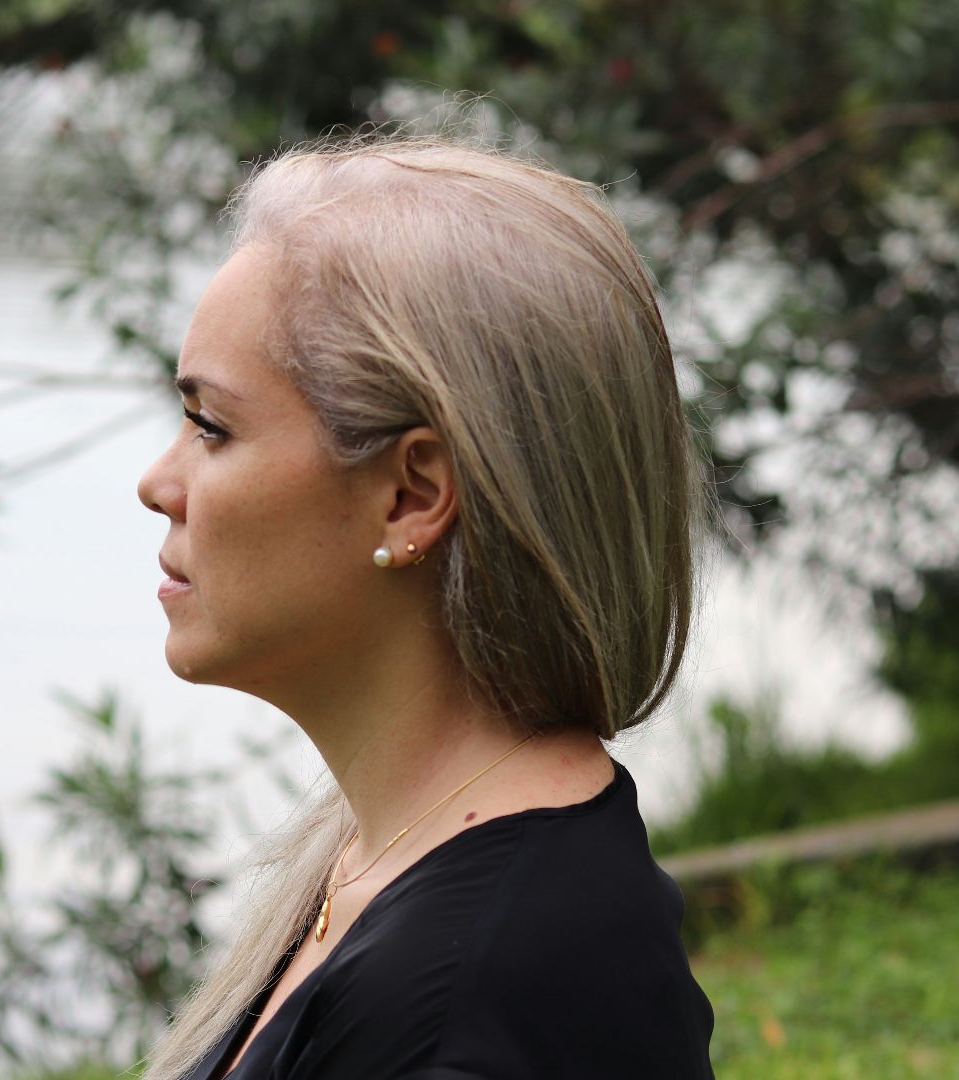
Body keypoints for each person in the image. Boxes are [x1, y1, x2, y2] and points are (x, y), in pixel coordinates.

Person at [135, 133, 717, 1080]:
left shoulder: (472, 1009)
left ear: (411, 495)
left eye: (212, 426)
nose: (158, 483)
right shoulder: (398, 867)